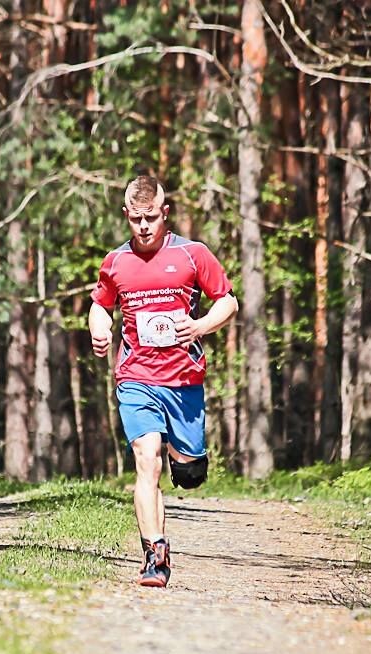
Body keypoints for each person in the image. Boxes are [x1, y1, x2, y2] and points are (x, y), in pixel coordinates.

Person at [88, 175, 238, 588]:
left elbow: (228, 301)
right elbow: (99, 305)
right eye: (135, 219)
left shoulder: (192, 254)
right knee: (146, 458)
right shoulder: (116, 262)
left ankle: (184, 455)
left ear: (165, 213)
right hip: (136, 377)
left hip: (183, 380)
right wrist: (99, 329)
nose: (143, 226)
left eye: (150, 217)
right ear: (125, 215)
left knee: (189, 474)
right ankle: (155, 554)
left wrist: (201, 326)